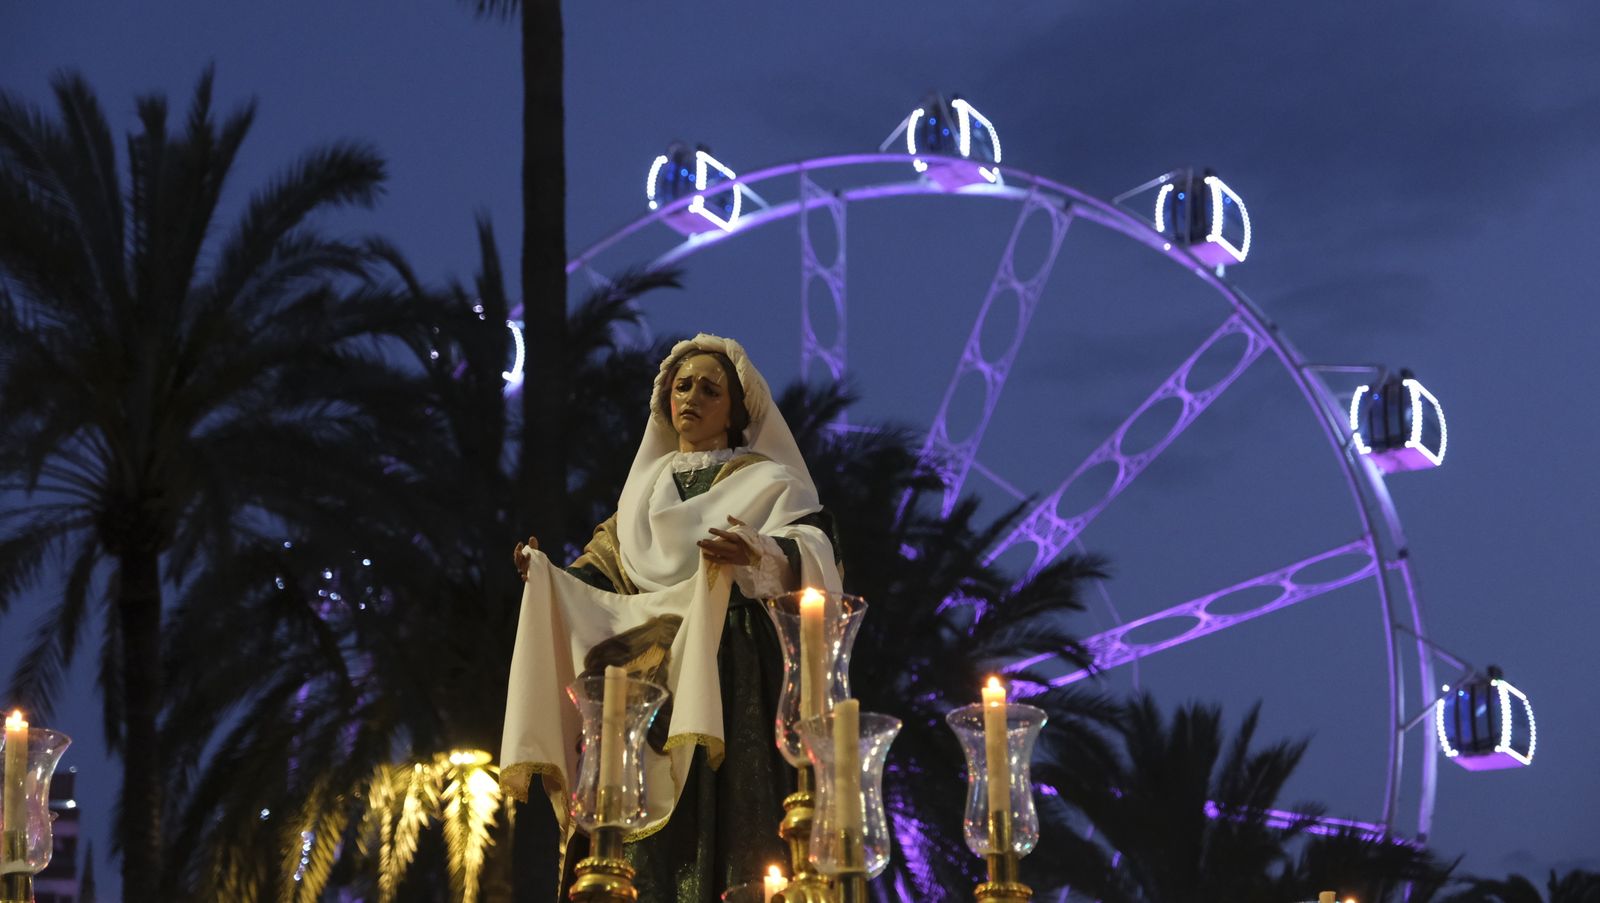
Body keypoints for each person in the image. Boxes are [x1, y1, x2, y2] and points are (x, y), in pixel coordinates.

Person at [500, 334, 842, 902]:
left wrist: (758, 552)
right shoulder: (641, 498)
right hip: (646, 682)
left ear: (737, 410)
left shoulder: (769, 482)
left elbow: (815, 547)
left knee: (727, 812)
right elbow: (603, 573)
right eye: (682, 386)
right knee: (637, 830)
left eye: (710, 389)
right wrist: (545, 577)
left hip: (730, 666)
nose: (693, 398)